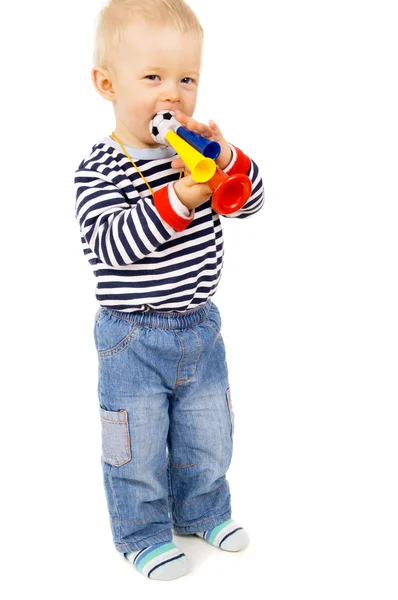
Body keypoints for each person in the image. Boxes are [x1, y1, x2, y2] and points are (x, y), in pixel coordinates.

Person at [74, 0, 264, 581]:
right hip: (133, 334)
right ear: (107, 84)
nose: (172, 95)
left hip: (200, 325)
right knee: (135, 443)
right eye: (152, 77)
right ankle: (142, 533)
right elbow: (110, 246)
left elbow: (251, 203)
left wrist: (228, 160)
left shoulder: (197, 154)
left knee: (209, 431)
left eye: (187, 79)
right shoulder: (100, 167)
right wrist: (179, 201)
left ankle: (202, 510)